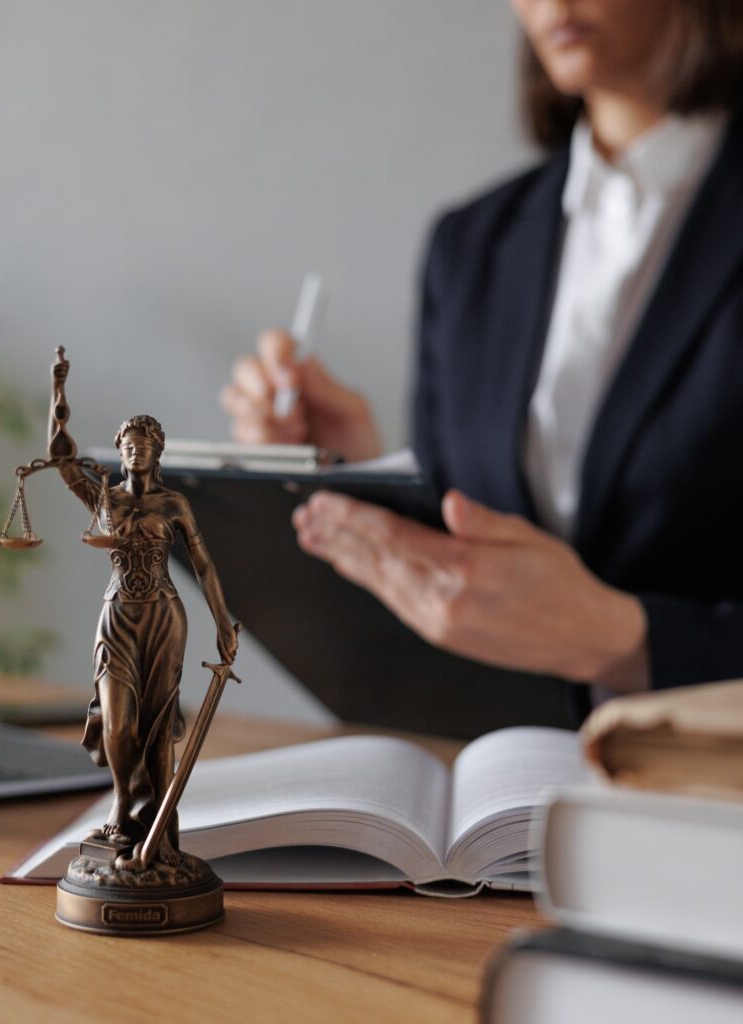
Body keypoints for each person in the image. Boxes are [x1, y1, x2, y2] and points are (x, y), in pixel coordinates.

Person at [221, 0, 743, 718]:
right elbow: (460, 580)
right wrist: (360, 481)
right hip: (496, 787)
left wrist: (620, 639)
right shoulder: (469, 247)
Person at [50, 359, 238, 860]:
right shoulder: (104, 499)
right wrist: (59, 395)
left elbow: (203, 564)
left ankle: (159, 825)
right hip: (117, 617)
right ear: (119, 452)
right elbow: (64, 461)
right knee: (117, 723)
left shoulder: (174, 505)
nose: (135, 452)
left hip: (163, 617)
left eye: (144, 446)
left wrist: (223, 622)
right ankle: (120, 803)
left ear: (158, 453)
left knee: (156, 727)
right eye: (128, 446)